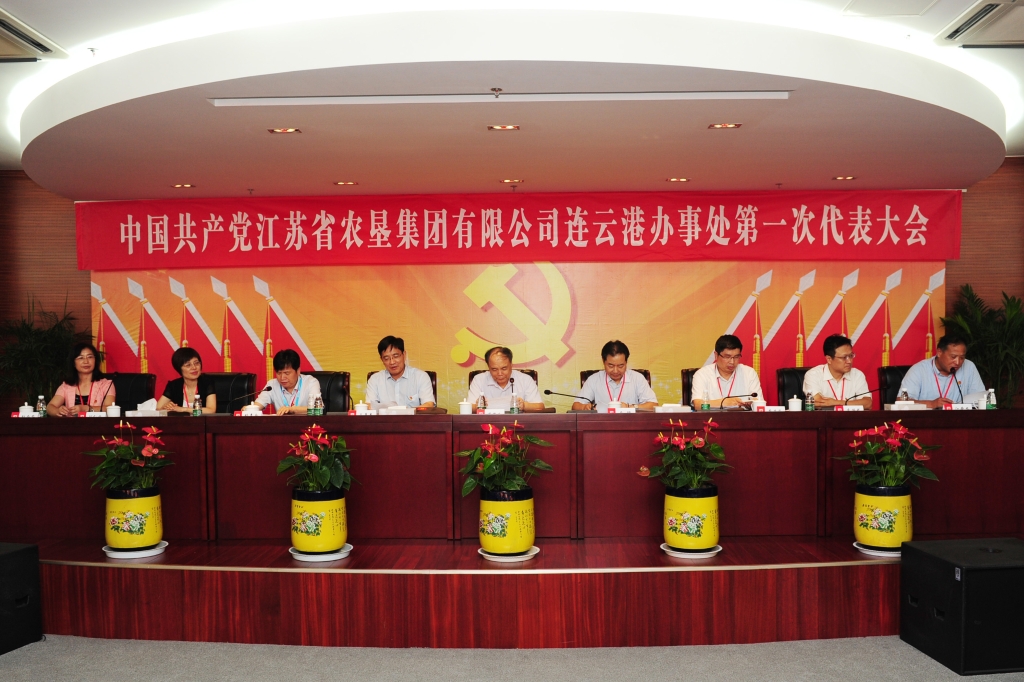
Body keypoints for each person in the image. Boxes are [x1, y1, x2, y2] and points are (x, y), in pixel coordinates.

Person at [897, 334, 986, 408]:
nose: (958, 362)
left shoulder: (969, 367)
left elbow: (980, 398)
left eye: (962, 358)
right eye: (953, 357)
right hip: (926, 420)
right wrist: (932, 404)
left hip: (960, 420)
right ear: (939, 352)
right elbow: (901, 402)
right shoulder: (919, 370)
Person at [573, 340, 657, 411]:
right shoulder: (594, 380)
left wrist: (630, 407)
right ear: (603, 362)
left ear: (626, 362)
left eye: (620, 366)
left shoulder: (637, 378)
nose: (616, 371)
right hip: (602, 424)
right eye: (611, 366)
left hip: (631, 424)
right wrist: (585, 407)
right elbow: (575, 406)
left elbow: (653, 405)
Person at [691, 335, 763, 409]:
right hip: (712, 416)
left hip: (741, 416)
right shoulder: (702, 374)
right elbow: (698, 406)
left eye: (736, 357)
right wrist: (724, 402)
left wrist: (751, 405)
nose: (732, 362)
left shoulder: (749, 373)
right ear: (716, 355)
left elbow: (759, 403)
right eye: (727, 357)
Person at [802, 334, 872, 409]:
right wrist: (852, 404)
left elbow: (868, 403)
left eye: (851, 356)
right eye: (844, 357)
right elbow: (818, 403)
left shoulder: (857, 374)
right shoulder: (813, 375)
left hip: (851, 417)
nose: (849, 361)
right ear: (829, 359)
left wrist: (835, 402)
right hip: (826, 417)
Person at [366, 335, 435, 409]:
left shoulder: (421, 377)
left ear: (404, 355)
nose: (392, 362)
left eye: (396, 356)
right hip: (385, 417)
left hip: (413, 417)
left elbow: (428, 404)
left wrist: (407, 412)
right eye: (386, 358)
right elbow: (369, 406)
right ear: (382, 360)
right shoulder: (375, 380)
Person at [47, 342, 116, 416]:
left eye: (90, 357)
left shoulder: (106, 385)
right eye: (80, 358)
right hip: (73, 423)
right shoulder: (66, 386)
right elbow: (49, 407)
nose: (86, 361)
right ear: (73, 363)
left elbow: (110, 408)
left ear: (95, 360)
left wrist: (86, 409)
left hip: (98, 423)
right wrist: (58, 411)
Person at [468, 346, 544, 411]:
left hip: (517, 423)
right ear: (488, 367)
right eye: (494, 369)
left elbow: (540, 407)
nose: (500, 373)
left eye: (504, 368)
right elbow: (469, 407)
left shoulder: (525, 380)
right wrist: (477, 406)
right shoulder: (479, 380)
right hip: (488, 422)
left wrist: (524, 405)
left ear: (511, 365)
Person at [253, 349, 321, 415]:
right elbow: (257, 406)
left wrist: (292, 410)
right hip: (281, 423)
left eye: (287, 373)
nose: (282, 378)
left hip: (307, 422)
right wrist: (250, 409)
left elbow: (317, 408)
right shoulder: (272, 385)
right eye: (279, 373)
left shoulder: (310, 382)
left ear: (298, 371)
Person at [156, 347, 217, 414]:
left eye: (196, 363)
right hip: (180, 421)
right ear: (179, 369)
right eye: (188, 365)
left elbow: (211, 411)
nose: (194, 367)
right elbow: (158, 408)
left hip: (201, 420)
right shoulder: (173, 386)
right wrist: (167, 407)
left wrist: (183, 409)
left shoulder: (207, 383)